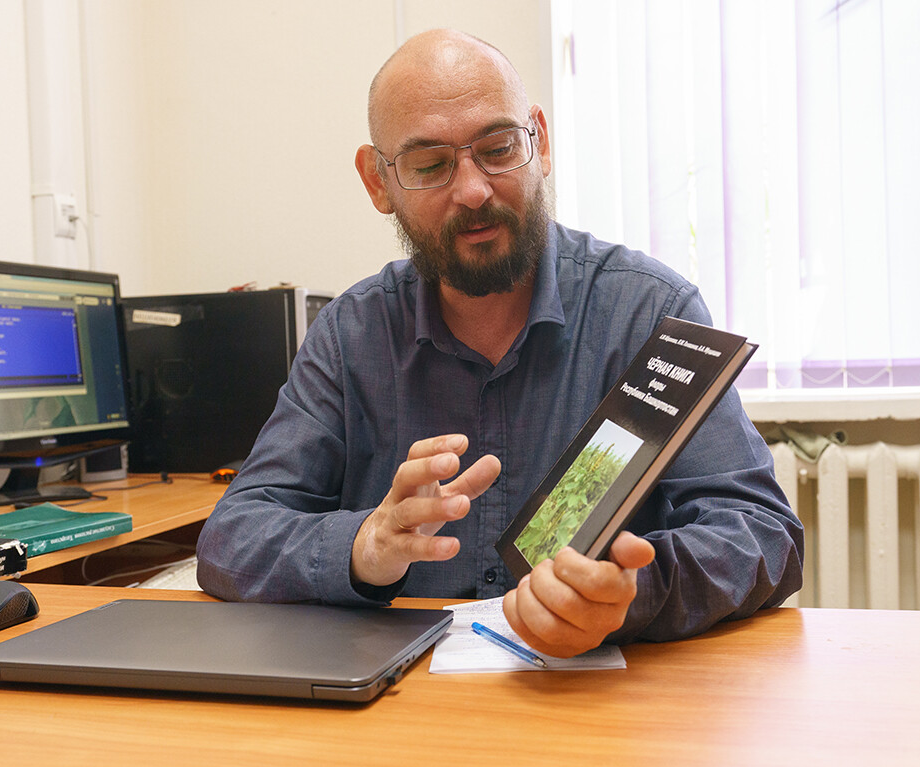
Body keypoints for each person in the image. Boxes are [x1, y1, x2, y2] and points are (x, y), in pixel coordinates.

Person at [196, 29, 803, 658]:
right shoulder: (350, 335)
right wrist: (364, 546)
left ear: (540, 143)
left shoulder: (650, 311)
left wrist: (626, 593)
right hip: (400, 702)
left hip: (594, 697)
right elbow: (232, 537)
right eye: (430, 165)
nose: (473, 190)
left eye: (498, 148)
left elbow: (761, 533)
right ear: (379, 183)